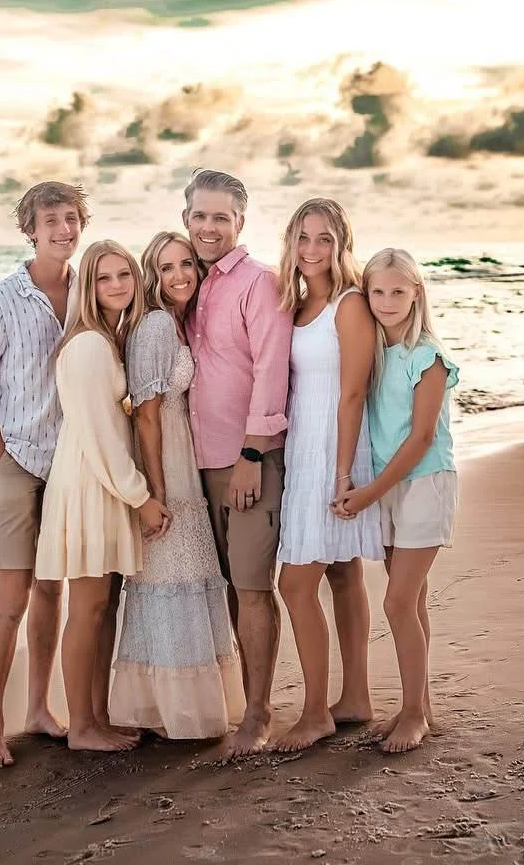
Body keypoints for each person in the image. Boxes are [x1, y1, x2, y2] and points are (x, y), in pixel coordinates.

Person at [0, 181, 86, 769]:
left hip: (68, 466)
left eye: (71, 219)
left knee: (51, 591)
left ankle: (39, 708)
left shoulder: (88, 290)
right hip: (16, 463)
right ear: (30, 230)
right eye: (51, 221)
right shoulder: (0, 299)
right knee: (10, 597)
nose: (64, 229)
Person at [35, 239, 171, 752]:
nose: (116, 285)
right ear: (88, 288)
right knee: (88, 608)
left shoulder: (105, 339)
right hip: (93, 482)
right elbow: (102, 437)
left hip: (101, 481)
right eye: (103, 278)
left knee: (99, 608)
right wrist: (143, 497)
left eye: (124, 276)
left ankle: (94, 716)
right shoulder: (91, 345)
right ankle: (83, 727)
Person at [110, 231, 245, 740]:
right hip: (165, 464)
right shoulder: (157, 325)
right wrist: (157, 495)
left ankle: (174, 706)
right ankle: (173, 711)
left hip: (181, 458)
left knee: (180, 577)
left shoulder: (178, 322)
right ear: (153, 275)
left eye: (186, 263)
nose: (180, 275)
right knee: (170, 577)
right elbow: (145, 417)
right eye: (166, 268)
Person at [181, 168, 292, 759]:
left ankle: (258, 711)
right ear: (186, 220)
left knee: (252, 587)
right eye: (200, 215)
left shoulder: (259, 283)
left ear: (240, 222)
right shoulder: (187, 284)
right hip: (198, 463)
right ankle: (242, 696)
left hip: (246, 462)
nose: (209, 226)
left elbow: (272, 374)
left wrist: (252, 455)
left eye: (221, 216)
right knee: (229, 585)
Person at [335, 248, 460, 753]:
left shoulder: (427, 356)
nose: (387, 302)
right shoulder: (376, 353)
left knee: (398, 601)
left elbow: (422, 438)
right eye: (377, 292)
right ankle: (420, 706)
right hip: (387, 484)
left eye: (398, 291)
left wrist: (369, 492)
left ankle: (412, 714)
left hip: (423, 483)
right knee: (414, 600)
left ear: (417, 294)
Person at [272, 197, 384, 752]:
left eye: (324, 239)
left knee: (295, 583)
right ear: (290, 241)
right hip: (303, 446)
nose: (312, 249)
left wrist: (343, 475)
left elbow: (354, 392)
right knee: (341, 574)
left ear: (340, 245)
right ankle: (355, 697)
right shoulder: (293, 305)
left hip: (333, 451)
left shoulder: (351, 304)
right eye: (303, 237)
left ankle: (316, 711)